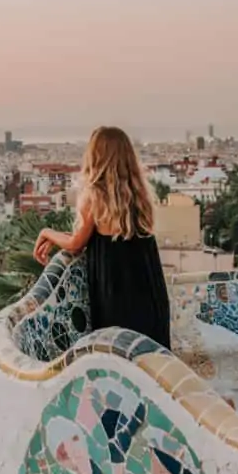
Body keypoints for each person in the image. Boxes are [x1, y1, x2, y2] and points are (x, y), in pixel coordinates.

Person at [33, 126, 170, 349]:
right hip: (148, 290)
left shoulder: (95, 196)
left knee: (117, 353)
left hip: (116, 292)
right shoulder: (139, 196)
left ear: (95, 156)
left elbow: (77, 243)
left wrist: (46, 232)